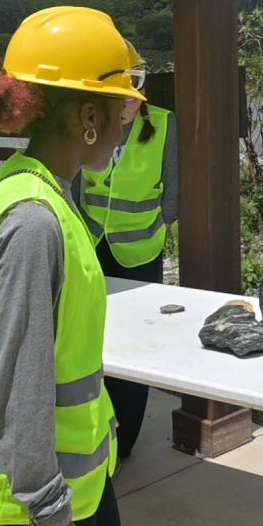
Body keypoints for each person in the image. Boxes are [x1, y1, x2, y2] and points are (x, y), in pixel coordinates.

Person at [0, 6, 145, 526]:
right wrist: (50, 516)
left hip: (77, 481)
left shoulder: (38, 189)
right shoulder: (33, 219)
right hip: (49, 502)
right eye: (122, 108)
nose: (128, 123)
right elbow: (21, 384)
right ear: (88, 117)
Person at [73, 49, 178, 459]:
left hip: (141, 251)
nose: (129, 99)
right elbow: (78, 181)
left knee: (135, 343)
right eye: (121, 91)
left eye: (135, 88)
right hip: (93, 246)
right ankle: (96, 429)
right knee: (92, 339)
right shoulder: (91, 124)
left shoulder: (165, 124)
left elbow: (174, 184)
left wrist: (165, 222)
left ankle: (126, 438)